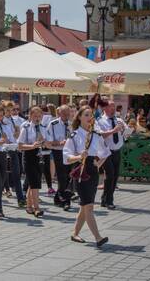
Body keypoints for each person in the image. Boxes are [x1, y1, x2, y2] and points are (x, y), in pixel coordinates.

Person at [63, 106, 110, 247]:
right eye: (86, 114)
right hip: (80, 171)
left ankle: (75, 233)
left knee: (84, 206)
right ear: (79, 117)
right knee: (89, 206)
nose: (89, 117)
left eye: (91, 115)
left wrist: (98, 164)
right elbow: (66, 156)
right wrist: (78, 156)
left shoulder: (96, 134)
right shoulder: (74, 134)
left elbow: (106, 152)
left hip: (92, 171)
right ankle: (98, 237)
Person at [18, 106, 50, 218]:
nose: (37, 118)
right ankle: (37, 208)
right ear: (30, 116)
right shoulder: (26, 127)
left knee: (34, 183)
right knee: (35, 183)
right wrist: (32, 146)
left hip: (40, 155)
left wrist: (45, 142)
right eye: (35, 116)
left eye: (39, 116)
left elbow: (48, 143)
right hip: (29, 155)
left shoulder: (43, 127)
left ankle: (28, 206)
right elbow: (20, 145)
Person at [97, 100, 127, 210]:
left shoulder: (118, 119)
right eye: (111, 106)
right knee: (110, 174)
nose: (113, 108)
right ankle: (109, 200)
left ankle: (105, 198)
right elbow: (100, 135)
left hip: (117, 150)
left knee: (115, 176)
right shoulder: (100, 121)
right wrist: (113, 131)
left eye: (114, 106)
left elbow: (126, 133)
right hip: (106, 152)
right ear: (105, 108)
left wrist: (124, 130)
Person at [48, 105, 72, 210]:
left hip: (70, 153)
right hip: (58, 152)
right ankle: (65, 201)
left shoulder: (72, 124)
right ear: (59, 113)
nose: (67, 116)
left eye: (68, 113)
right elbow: (48, 142)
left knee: (69, 177)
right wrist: (60, 143)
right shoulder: (53, 124)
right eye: (64, 114)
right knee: (62, 177)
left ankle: (58, 197)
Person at [2, 100, 25, 207]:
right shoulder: (1, 120)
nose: (10, 112)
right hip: (3, 149)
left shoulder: (12, 120)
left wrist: (17, 133)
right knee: (2, 174)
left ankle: (20, 198)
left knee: (17, 172)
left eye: (11, 110)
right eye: (7, 110)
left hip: (13, 149)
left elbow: (15, 137)